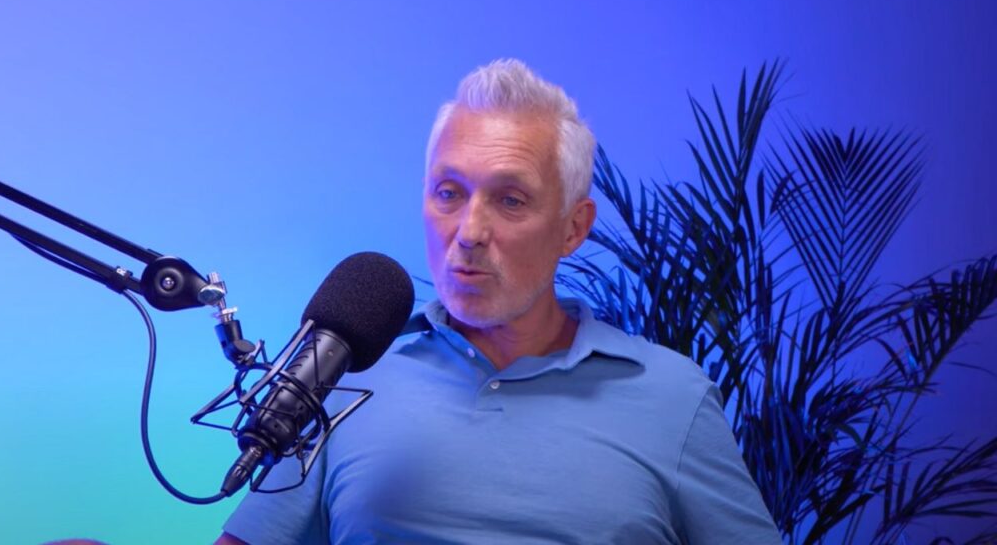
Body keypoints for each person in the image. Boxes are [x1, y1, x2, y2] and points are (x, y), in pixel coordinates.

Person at [217, 59, 781, 544]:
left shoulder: (672, 398)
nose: (468, 231)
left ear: (573, 227)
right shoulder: (344, 378)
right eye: (449, 192)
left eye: (510, 200)